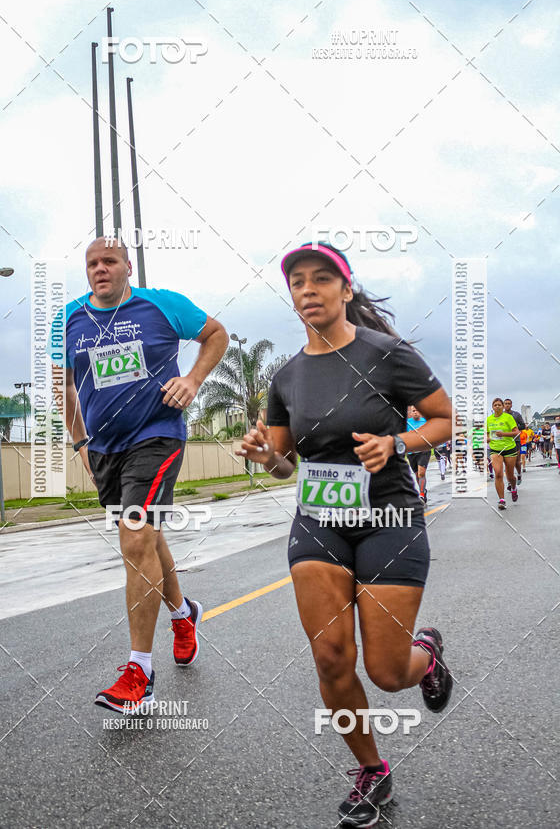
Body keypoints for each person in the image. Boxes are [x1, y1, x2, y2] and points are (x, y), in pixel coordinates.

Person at [236, 242, 453, 828]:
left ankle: (425, 657)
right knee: (332, 656)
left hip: (389, 516)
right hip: (320, 520)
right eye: (298, 282)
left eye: (321, 279)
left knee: (385, 671)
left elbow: (443, 418)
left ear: (345, 290)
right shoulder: (286, 376)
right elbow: (283, 463)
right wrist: (262, 456)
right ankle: (371, 770)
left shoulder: (388, 355)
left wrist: (397, 443)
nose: (308, 289)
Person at [55, 237, 228, 712]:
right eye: (92, 263)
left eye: (109, 261)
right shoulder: (68, 319)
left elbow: (217, 334)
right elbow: (62, 385)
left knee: (134, 537)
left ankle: (139, 674)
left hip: (157, 436)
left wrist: (192, 380)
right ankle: (183, 613)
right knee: (147, 540)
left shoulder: (161, 305)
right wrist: (80, 442)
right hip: (105, 449)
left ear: (128, 266)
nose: (100, 269)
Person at [486, 399, 519, 509]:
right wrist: (487, 438)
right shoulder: (488, 419)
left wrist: (503, 434)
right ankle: (502, 500)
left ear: (503, 406)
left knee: (510, 476)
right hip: (495, 449)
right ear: (492, 407)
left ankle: (513, 487)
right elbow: (486, 434)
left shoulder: (508, 417)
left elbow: (516, 432)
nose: (497, 407)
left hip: (509, 448)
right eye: (495, 405)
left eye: (499, 405)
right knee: (498, 473)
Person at [406, 405, 431, 500]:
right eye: (413, 411)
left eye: (417, 410)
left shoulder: (425, 421)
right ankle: (423, 490)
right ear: (411, 413)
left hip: (424, 450)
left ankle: (421, 495)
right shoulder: (407, 423)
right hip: (411, 452)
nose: (415, 412)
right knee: (417, 475)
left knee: (421, 473)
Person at [503, 399, 525, 483]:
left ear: (511, 405)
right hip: (505, 441)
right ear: (503, 405)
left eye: (509, 404)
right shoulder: (501, 415)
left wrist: (514, 428)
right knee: (507, 463)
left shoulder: (516, 415)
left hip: (516, 440)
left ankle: (519, 474)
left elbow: (523, 426)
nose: (507, 405)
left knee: (516, 461)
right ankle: (510, 481)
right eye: (506, 404)